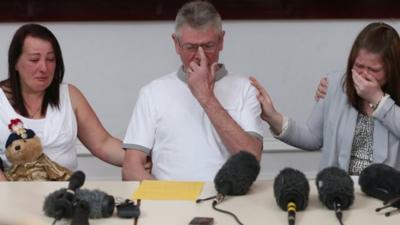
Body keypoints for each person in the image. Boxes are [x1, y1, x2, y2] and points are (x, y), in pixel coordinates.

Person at [122, 0, 263, 181]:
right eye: (190, 47)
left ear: (221, 41)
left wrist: (207, 98)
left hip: (228, 201)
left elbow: (251, 158)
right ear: (176, 44)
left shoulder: (246, 88)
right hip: (168, 201)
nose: (200, 56)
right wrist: (167, 200)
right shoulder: (152, 92)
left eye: (208, 46)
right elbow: (131, 168)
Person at [250, 22, 400, 175]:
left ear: (392, 69)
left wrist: (378, 100)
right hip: (339, 190)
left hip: (387, 194)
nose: (364, 75)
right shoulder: (335, 84)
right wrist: (273, 117)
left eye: (374, 70)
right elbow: (312, 137)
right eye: (359, 66)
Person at [0, 23, 125, 181]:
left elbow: (103, 143)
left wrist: (138, 158)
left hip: (65, 197)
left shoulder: (70, 95)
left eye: (51, 59)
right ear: (16, 62)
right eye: (34, 59)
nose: (44, 67)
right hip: (11, 196)